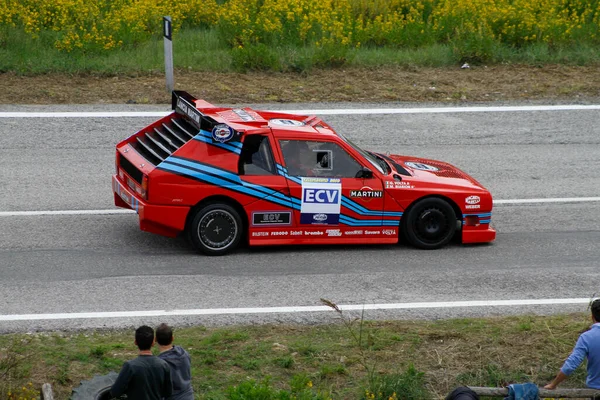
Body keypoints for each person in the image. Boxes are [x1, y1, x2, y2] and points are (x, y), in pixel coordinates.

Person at [545, 298, 600, 390]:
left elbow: (571, 365)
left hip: (596, 388)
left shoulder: (586, 337)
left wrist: (553, 384)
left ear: (592, 317)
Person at [110, 325, 173, 400]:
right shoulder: (164, 365)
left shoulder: (130, 366)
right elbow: (168, 393)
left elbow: (115, 392)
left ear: (135, 342)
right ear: (153, 342)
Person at [156, 323, 194, 400]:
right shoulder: (184, 353)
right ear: (172, 338)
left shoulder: (159, 364)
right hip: (188, 396)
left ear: (155, 340)